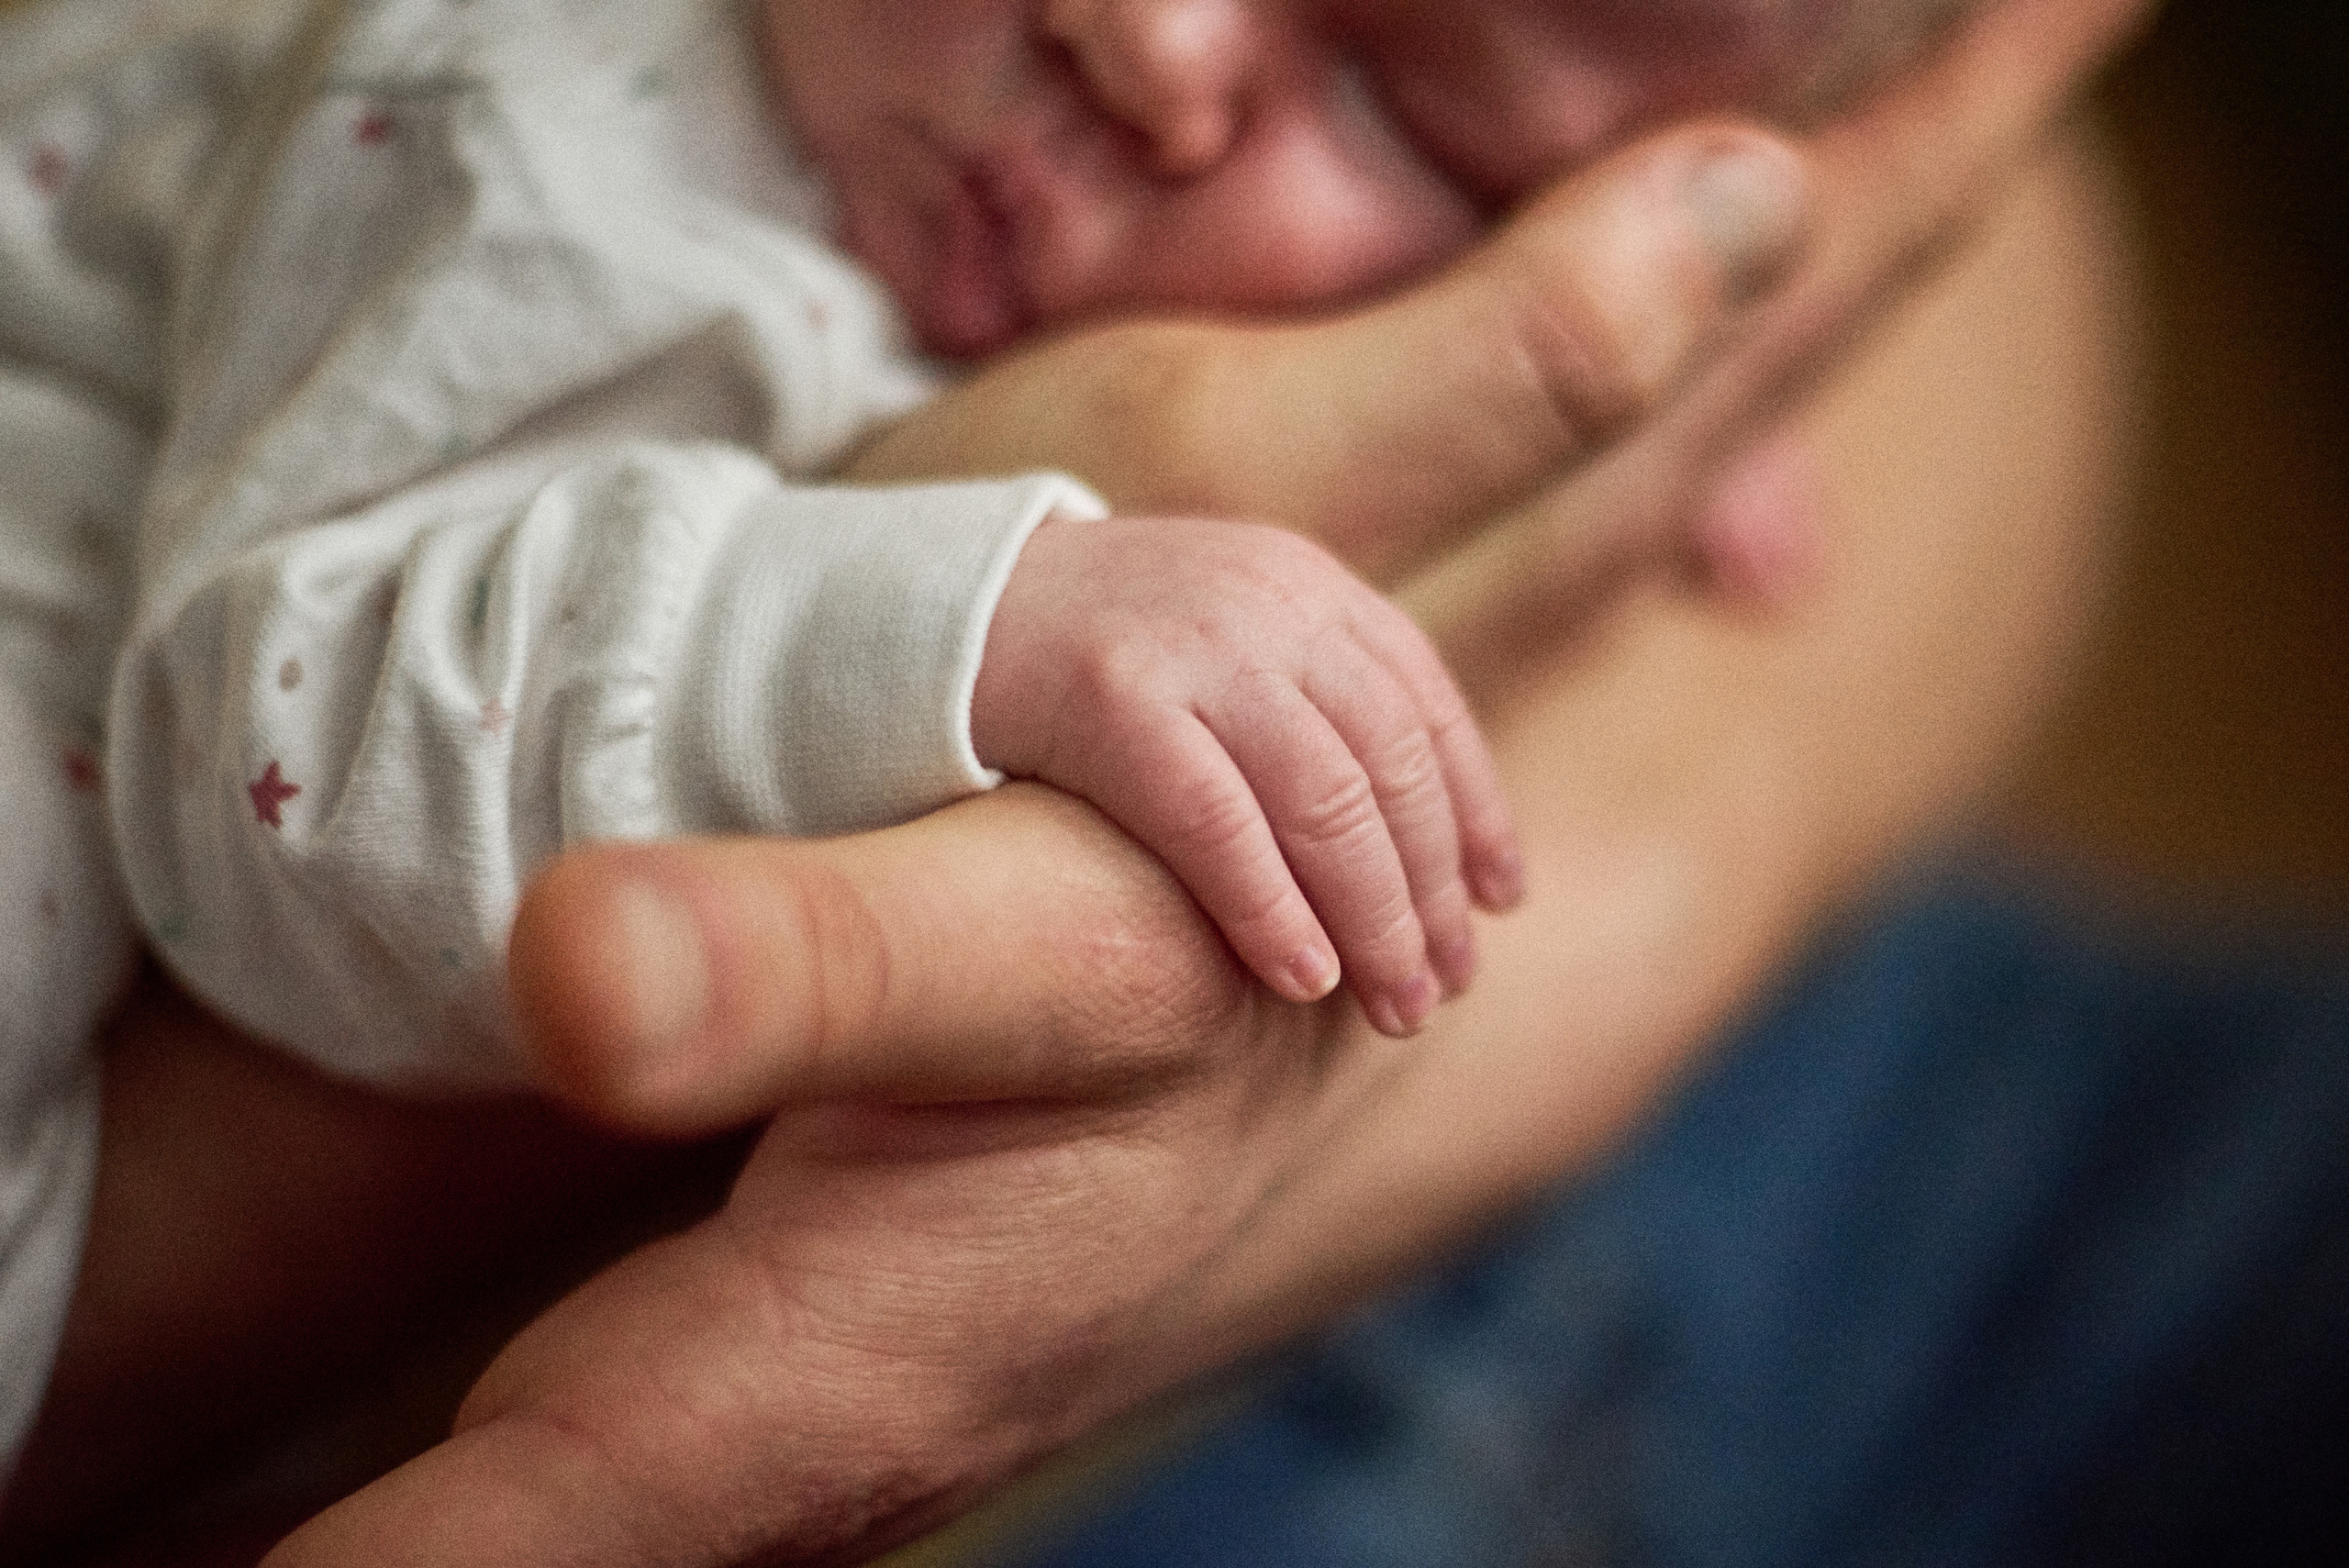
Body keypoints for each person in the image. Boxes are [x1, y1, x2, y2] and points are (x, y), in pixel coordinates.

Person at [0, 0, 2155, 1560]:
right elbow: (265, 755)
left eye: (1415, 109)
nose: (1157, 44)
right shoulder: (535, 137)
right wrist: (972, 624)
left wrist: (1672, 385)